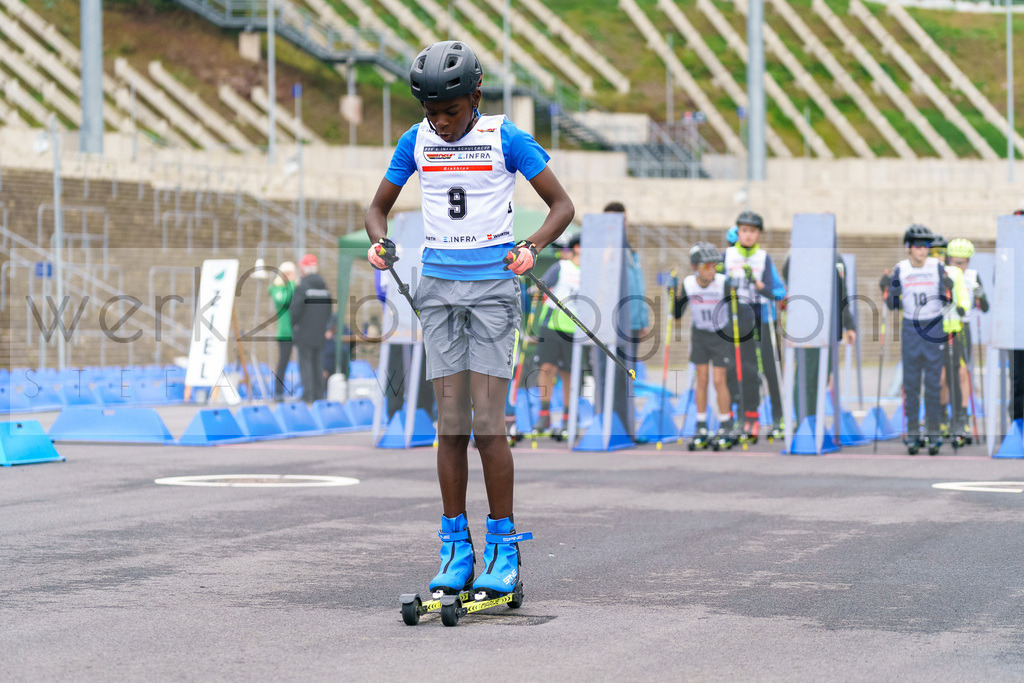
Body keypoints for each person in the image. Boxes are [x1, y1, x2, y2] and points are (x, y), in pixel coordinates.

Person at [364, 41, 574, 599]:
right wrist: (379, 241)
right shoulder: (416, 140)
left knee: (487, 426)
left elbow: (562, 206)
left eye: (450, 111)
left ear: (475, 96)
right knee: (449, 426)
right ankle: (455, 546)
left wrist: (531, 246)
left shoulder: (505, 137)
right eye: (431, 112)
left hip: (492, 291)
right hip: (436, 291)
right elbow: (376, 207)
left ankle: (504, 547)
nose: (440, 122)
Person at [882, 224, 952, 453]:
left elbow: (948, 296)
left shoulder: (937, 267)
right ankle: (912, 432)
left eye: (925, 247)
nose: (922, 251)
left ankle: (933, 432)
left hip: (933, 327)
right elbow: (892, 302)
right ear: (908, 248)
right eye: (917, 247)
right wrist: (887, 288)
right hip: (911, 327)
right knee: (911, 384)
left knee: (933, 384)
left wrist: (950, 288)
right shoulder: (900, 269)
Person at [722, 211, 786, 442]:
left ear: (759, 234)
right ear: (738, 232)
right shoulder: (727, 256)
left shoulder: (763, 257)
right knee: (742, 368)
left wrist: (761, 286)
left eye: (752, 231)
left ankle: (779, 416)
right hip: (737, 318)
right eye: (744, 230)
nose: (748, 235)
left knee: (770, 367)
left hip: (761, 318)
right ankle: (747, 415)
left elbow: (779, 291)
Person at [781, 253, 856, 422]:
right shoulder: (798, 257)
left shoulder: (837, 260)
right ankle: (802, 422)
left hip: (830, 329)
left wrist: (849, 325)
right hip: (807, 327)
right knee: (805, 377)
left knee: (821, 378)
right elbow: (789, 281)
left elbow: (842, 295)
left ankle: (813, 420)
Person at [674, 242, 734, 448]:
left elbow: (736, 307)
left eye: (713, 265)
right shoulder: (689, 284)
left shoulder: (723, 283)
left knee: (719, 380)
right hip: (700, 334)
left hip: (721, 334)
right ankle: (701, 422)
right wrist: (673, 293)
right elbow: (676, 314)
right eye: (705, 266)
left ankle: (725, 422)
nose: (711, 270)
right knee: (701, 379)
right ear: (695, 267)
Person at [600, 201, 648, 440]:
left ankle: (627, 428)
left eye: (622, 220)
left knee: (628, 379)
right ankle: (612, 428)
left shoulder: (630, 251)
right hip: (609, 326)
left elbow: (637, 287)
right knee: (610, 379)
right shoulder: (599, 250)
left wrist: (642, 319)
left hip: (632, 325)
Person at [531, 233, 580, 438]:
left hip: (574, 329)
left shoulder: (591, 272)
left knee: (569, 373)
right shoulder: (562, 266)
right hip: (551, 325)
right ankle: (544, 414)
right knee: (547, 368)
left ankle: (568, 418)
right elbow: (539, 287)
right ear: (577, 247)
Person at [945, 238, 987, 442]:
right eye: (955, 262)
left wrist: (981, 295)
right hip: (944, 327)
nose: (959, 266)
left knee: (962, 372)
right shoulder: (944, 273)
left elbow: (985, 307)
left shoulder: (973, 275)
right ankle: (944, 416)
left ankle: (962, 417)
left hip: (964, 327)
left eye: (963, 262)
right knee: (943, 374)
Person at [290, 254, 333, 404]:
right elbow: (329, 312)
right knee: (318, 363)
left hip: (304, 333)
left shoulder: (302, 287)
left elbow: (294, 310)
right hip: (320, 333)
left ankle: (308, 395)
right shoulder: (324, 288)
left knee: (306, 364)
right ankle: (319, 394)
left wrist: (294, 325)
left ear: (303, 269)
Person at [268, 261, 297, 401]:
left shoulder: (294, 286)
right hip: (285, 333)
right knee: (283, 362)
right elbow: (284, 300)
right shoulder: (277, 288)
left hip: (297, 330)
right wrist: (291, 283)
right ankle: (278, 391)